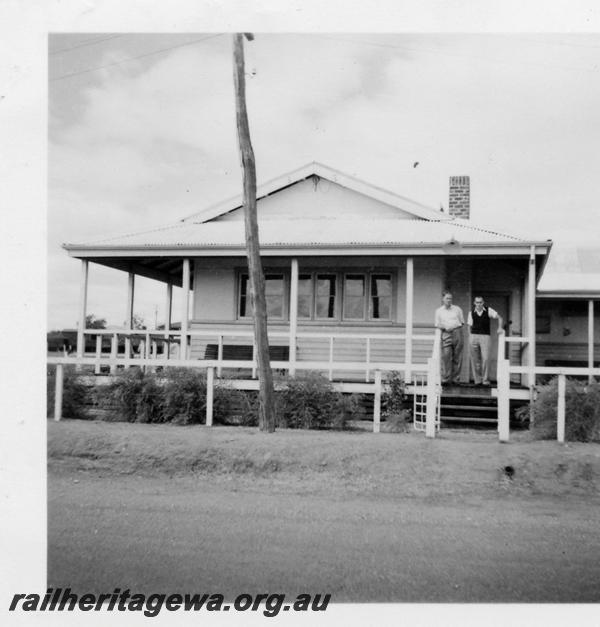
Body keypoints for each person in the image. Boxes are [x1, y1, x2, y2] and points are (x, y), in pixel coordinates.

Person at [467, 296, 504, 387]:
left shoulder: (488, 310)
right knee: (475, 359)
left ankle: (485, 380)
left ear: (483, 303)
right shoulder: (471, 313)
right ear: (474, 303)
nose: (478, 304)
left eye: (480, 302)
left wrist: (500, 327)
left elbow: (500, 318)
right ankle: (477, 380)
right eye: (477, 302)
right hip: (474, 336)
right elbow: (469, 326)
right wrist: (470, 336)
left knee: (486, 358)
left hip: (485, 336)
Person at [434, 291, 465, 386]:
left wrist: (455, 328)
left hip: (457, 332)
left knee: (457, 357)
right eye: (447, 298)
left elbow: (462, 322)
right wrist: (445, 327)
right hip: (446, 333)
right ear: (443, 299)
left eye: (450, 298)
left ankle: (456, 379)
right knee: (446, 356)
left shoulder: (457, 309)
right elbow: (437, 324)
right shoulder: (439, 311)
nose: (449, 300)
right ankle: (446, 379)